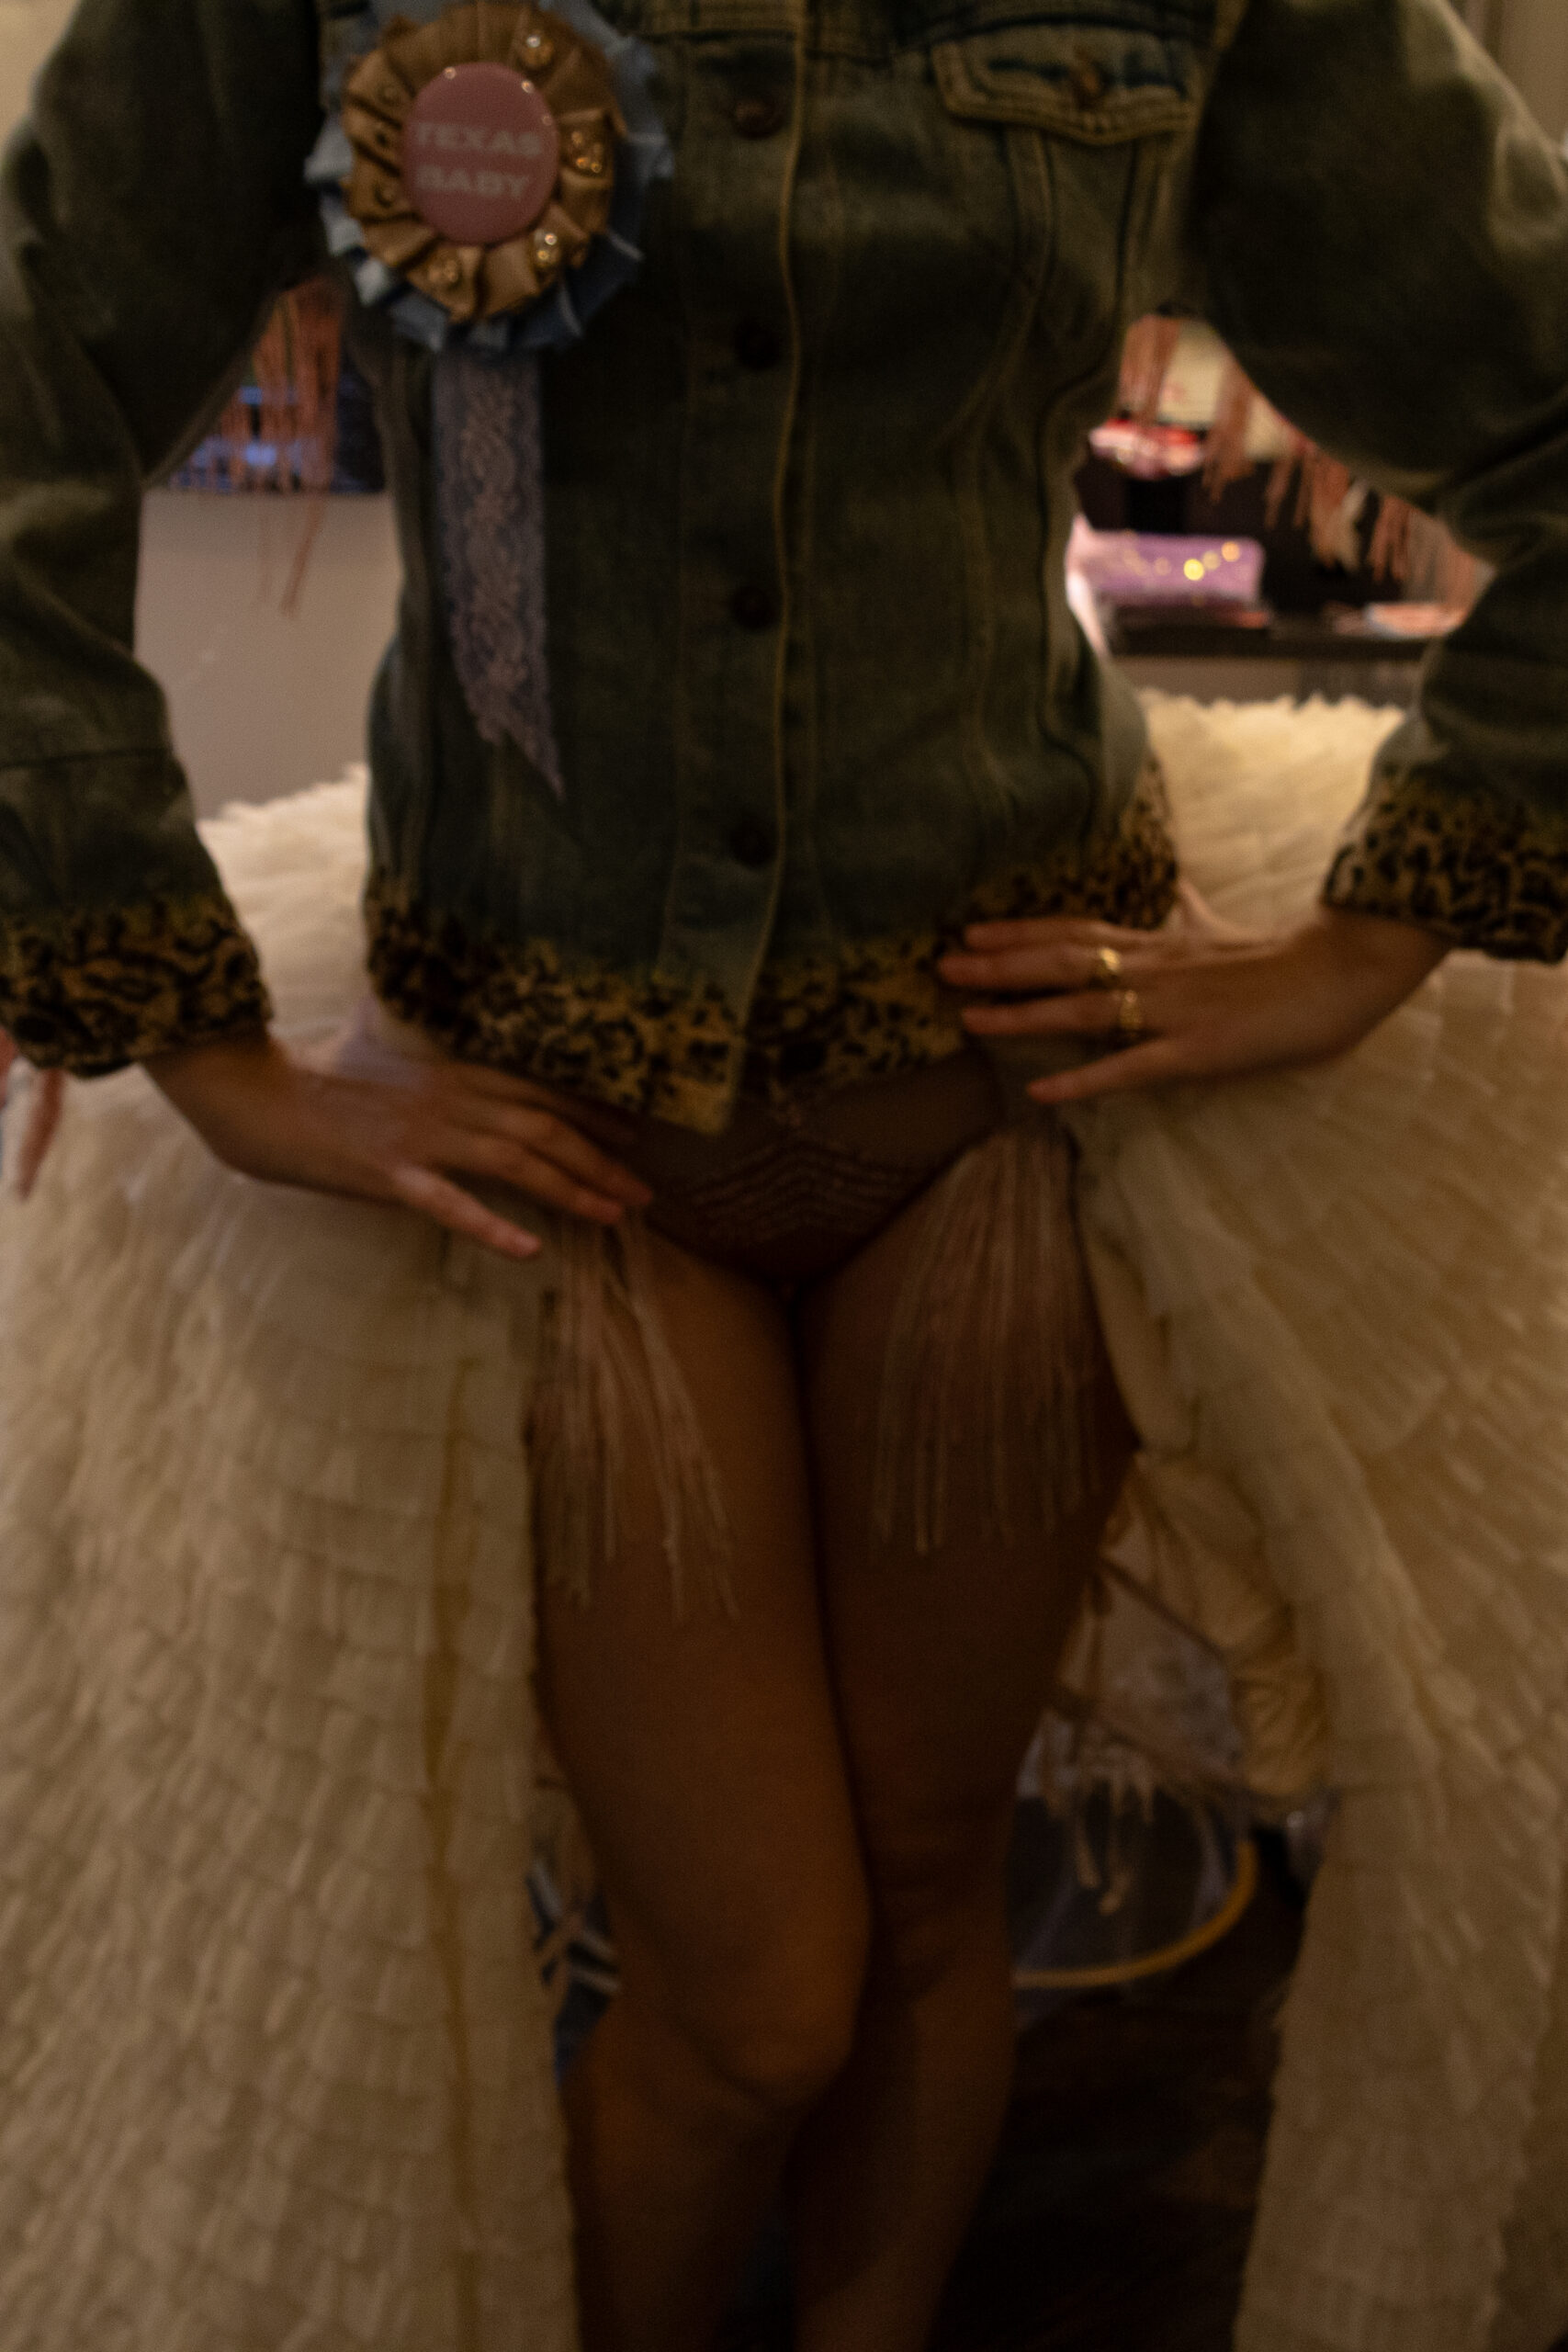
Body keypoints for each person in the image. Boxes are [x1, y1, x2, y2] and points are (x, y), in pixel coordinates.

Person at [0, 3, 1565, 2350]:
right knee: (751, 1994)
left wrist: (1371, 940)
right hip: (564, 1147)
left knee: (931, 1903)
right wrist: (200, 1045)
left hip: (989, 1117)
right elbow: (27, 410)